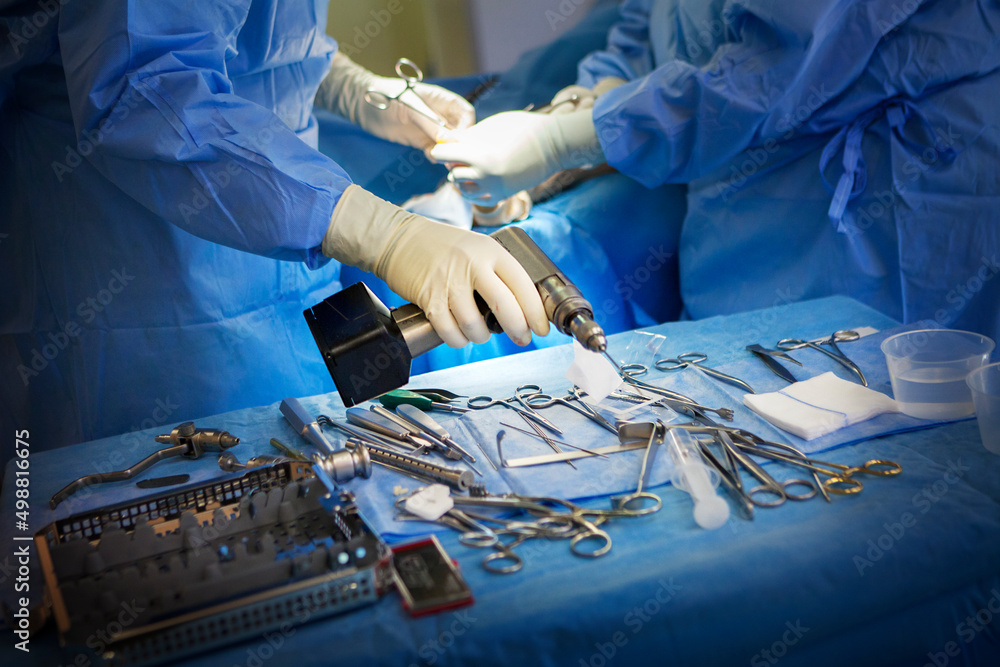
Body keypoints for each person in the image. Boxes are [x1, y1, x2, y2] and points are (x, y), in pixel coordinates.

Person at [0, 0, 548, 452]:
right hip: (146, 285)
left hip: (273, 271)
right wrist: (386, 234)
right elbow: (144, 90)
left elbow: (254, 29)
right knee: (186, 512)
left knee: (311, 467)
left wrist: (357, 92)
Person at [433, 0, 1000, 344]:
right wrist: (580, 105)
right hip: (742, 204)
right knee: (755, 403)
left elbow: (767, 77)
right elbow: (648, 23)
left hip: (888, 201)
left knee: (889, 425)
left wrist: (562, 141)